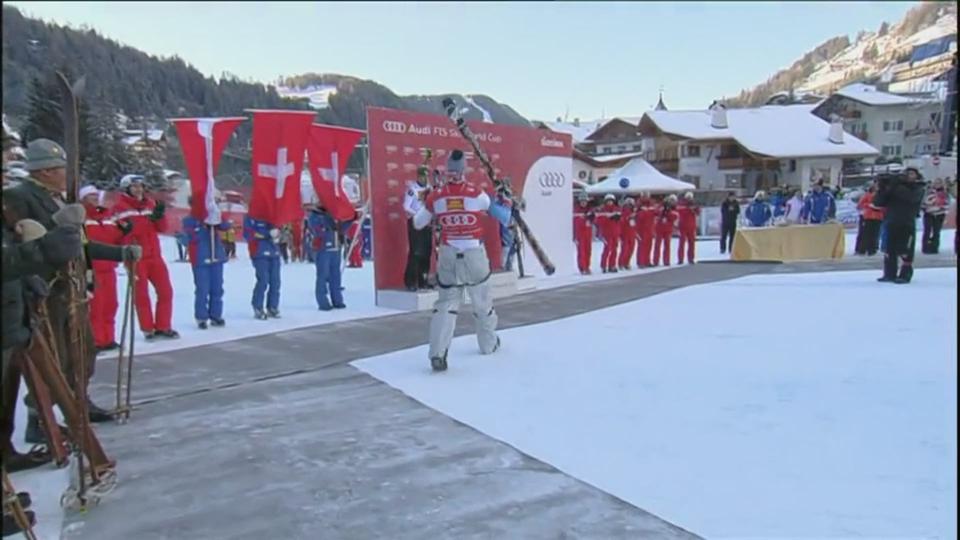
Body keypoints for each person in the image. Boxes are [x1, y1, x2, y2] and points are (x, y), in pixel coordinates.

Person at [3, 139, 141, 424]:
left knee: (82, 350)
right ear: (44, 171)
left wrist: (120, 252)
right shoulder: (20, 197)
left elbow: (78, 245)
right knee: (54, 356)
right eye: (59, 168)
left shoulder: (60, 198)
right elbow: (28, 245)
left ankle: (79, 401)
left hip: (72, 288)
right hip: (46, 290)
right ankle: (39, 418)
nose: (65, 173)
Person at [2, 187, 82, 473]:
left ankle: (5, 453)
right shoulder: (22, 195)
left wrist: (26, 279)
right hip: (10, 317)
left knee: (7, 395)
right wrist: (39, 251)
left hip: (14, 317)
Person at [411, 149, 511, 371]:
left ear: (447, 170)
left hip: (448, 252)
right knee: (482, 301)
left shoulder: (436, 197)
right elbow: (504, 217)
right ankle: (488, 344)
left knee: (446, 304)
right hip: (474, 252)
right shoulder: (477, 195)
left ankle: (437, 352)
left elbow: (418, 223)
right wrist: (505, 200)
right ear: (464, 169)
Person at [113, 174, 178, 340]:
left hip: (154, 254)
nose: (138, 189)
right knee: (141, 294)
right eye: (134, 186)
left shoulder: (150, 204)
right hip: (135, 256)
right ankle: (147, 328)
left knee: (166, 291)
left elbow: (162, 229)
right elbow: (120, 233)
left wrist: (159, 216)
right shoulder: (119, 207)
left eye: (141, 186)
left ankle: (163, 326)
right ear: (126, 188)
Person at [80, 185, 130, 352]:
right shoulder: (82, 218)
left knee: (111, 304)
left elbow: (115, 240)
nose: (95, 198)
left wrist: (124, 232)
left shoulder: (107, 216)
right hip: (91, 269)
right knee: (96, 307)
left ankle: (108, 338)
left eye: (96, 195)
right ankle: (95, 341)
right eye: (90, 196)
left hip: (109, 268)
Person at [873, 168, 925, 284]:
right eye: (906, 173)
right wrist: (883, 188)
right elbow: (878, 202)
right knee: (889, 250)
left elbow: (910, 198)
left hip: (907, 223)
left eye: (911, 174)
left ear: (917, 176)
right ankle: (889, 274)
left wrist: (894, 185)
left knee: (906, 250)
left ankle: (905, 274)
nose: (908, 176)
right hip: (892, 221)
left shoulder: (918, 187)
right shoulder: (895, 188)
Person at [181, 211, 231, 329]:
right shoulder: (189, 220)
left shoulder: (214, 216)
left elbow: (225, 226)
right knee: (203, 289)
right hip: (200, 258)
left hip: (216, 257)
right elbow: (187, 238)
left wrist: (217, 218)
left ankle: (216, 315)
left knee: (217, 288)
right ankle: (201, 317)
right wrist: (204, 226)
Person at [307, 205, 350, 311]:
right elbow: (317, 230)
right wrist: (330, 226)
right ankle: (323, 302)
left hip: (335, 248)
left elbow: (342, 228)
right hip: (323, 249)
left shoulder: (334, 213)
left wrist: (351, 219)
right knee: (322, 276)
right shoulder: (315, 215)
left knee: (335, 276)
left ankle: (337, 300)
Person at [243, 215, 282, 319]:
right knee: (263, 280)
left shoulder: (272, 216)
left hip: (274, 252)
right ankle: (258, 306)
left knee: (275, 281)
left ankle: (273, 306)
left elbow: (279, 232)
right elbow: (248, 234)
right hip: (259, 253)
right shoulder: (250, 217)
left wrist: (277, 233)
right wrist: (266, 234)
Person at [403, 167, 433, 290]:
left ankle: (423, 281)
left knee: (427, 252)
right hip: (415, 222)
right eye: (421, 176)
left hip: (427, 223)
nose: (424, 178)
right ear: (417, 176)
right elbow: (406, 206)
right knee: (416, 252)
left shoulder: (429, 189)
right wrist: (417, 214)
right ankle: (410, 282)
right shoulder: (412, 190)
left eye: (426, 176)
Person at [921, 178, 949, 254]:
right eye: (936, 183)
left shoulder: (944, 193)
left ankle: (934, 248)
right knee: (927, 231)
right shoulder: (928, 192)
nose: (937, 185)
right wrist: (928, 207)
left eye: (939, 183)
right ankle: (925, 247)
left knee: (936, 231)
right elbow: (924, 202)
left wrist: (941, 207)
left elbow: (947, 203)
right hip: (929, 214)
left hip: (940, 214)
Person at [595, 194, 621, 273]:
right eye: (608, 201)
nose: (610, 203)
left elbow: (621, 220)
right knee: (607, 250)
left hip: (615, 233)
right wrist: (608, 219)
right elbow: (598, 221)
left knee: (614, 250)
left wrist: (618, 218)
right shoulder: (602, 210)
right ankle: (603, 266)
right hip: (607, 234)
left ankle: (612, 265)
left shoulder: (617, 209)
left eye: (611, 201)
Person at [653, 195, 679, 266]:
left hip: (668, 229)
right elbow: (656, 213)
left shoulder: (674, 209)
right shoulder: (660, 207)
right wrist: (663, 211)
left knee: (667, 245)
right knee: (657, 245)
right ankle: (656, 261)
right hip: (660, 228)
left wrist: (668, 213)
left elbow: (675, 216)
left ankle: (666, 261)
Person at [676, 191, 700, 264]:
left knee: (691, 243)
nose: (689, 199)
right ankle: (680, 259)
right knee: (681, 243)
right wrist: (688, 208)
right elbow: (679, 212)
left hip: (691, 227)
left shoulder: (694, 204)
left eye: (690, 197)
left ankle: (691, 258)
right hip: (683, 226)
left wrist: (694, 209)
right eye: (688, 197)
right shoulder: (681, 204)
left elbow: (698, 212)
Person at [573, 196, 594, 274]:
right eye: (582, 202)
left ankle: (587, 266)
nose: (584, 203)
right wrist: (584, 218)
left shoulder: (589, 210)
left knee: (588, 251)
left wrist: (591, 218)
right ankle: (583, 267)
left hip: (588, 234)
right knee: (581, 252)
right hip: (580, 234)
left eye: (585, 202)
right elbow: (576, 222)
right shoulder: (577, 210)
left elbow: (593, 220)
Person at [635, 192, 656, 267]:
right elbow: (638, 216)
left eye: (647, 196)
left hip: (649, 228)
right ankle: (641, 262)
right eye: (644, 196)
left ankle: (647, 261)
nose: (646, 197)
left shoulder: (651, 205)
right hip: (641, 229)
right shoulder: (638, 206)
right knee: (641, 246)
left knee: (649, 245)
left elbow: (656, 213)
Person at [617, 197, 636, 271]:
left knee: (631, 249)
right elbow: (621, 222)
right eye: (628, 204)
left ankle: (626, 263)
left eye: (630, 205)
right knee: (624, 249)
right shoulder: (622, 212)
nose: (629, 206)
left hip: (632, 233)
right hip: (625, 233)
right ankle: (621, 263)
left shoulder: (634, 212)